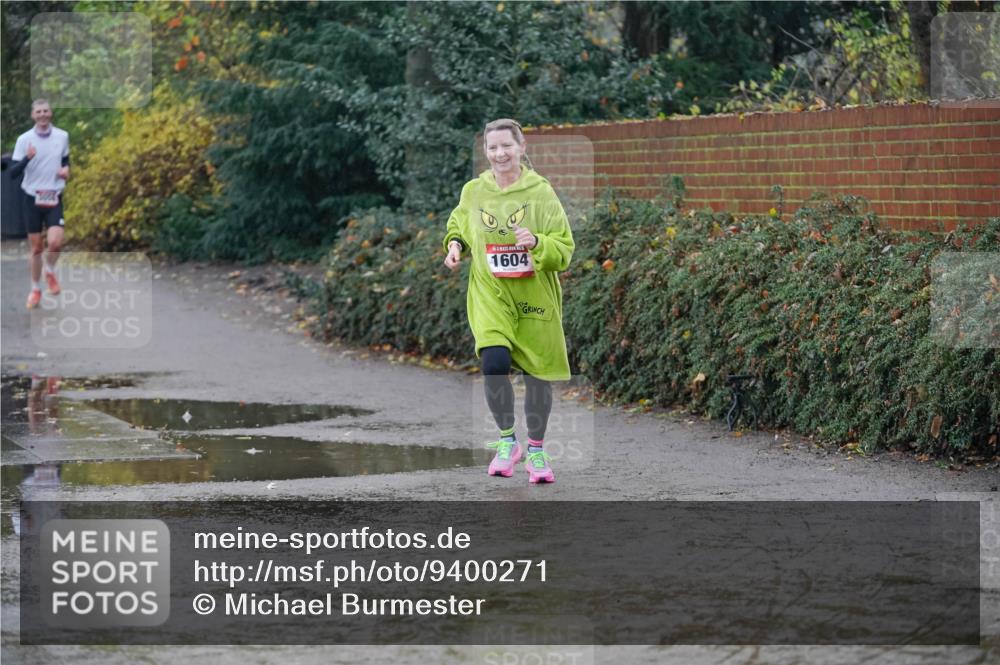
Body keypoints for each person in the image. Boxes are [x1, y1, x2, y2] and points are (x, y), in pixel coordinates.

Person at [443, 118, 574, 484]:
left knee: (537, 375)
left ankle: (535, 450)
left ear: (521, 148)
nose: (499, 154)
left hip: (534, 296)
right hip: (491, 293)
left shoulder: (541, 192)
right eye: (492, 147)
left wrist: (536, 243)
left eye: (506, 146)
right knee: (494, 361)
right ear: (486, 151)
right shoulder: (474, 191)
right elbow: (458, 224)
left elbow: (564, 248)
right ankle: (506, 441)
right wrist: (455, 246)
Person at [10, 99, 70, 309]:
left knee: (55, 243)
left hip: (54, 195)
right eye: (39, 112)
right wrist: (27, 158)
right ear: (33, 115)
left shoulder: (62, 136)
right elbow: (13, 173)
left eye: (46, 111)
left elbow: (65, 160)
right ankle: (35, 289)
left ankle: (50, 272)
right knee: (36, 248)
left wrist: (66, 171)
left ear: (51, 113)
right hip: (31, 197)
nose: (43, 115)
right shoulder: (24, 139)